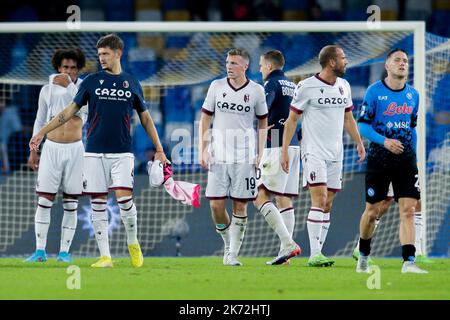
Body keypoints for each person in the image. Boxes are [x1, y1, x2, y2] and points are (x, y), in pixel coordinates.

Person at [29, 34, 168, 268]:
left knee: (124, 201)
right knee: (98, 204)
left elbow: (145, 118)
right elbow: (67, 112)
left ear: (118, 54)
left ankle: (133, 243)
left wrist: (160, 148)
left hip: (122, 152)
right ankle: (105, 256)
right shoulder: (91, 81)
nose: (101, 58)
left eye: (105, 54)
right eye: (99, 54)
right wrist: (42, 132)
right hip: (93, 152)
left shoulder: (132, 83)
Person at [281, 45, 365, 267]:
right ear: (331, 62)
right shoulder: (306, 86)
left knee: (328, 203)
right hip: (313, 152)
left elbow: (348, 118)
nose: (346, 61)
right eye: (343, 58)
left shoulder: (344, 86)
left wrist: (358, 142)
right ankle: (314, 254)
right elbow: (291, 120)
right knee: (319, 200)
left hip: (336, 154)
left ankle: (319, 252)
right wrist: (285, 150)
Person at [356, 48, 427, 274]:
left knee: (408, 209)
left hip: (405, 161)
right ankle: (364, 254)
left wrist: (412, 154)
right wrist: (384, 141)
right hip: (379, 159)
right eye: (397, 60)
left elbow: (412, 127)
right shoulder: (374, 92)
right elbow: (363, 125)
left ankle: (409, 261)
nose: (402, 63)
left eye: (405, 60)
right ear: (387, 65)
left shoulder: (413, 95)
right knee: (372, 212)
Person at [199, 48, 268, 266]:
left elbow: (263, 122)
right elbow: (205, 119)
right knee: (216, 206)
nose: (229, 66)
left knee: (240, 206)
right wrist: (203, 148)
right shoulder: (216, 86)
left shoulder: (256, 91)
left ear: (245, 66)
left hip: (244, 157)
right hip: (218, 156)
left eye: (234, 63)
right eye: (228, 62)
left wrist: (260, 152)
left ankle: (233, 253)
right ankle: (228, 243)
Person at [25, 48, 86, 263]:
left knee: (71, 202)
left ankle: (64, 253)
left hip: (75, 149)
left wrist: (68, 85)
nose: (68, 72)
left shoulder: (83, 89)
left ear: (78, 70)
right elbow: (40, 120)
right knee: (44, 200)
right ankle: (39, 251)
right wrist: (34, 149)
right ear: (58, 68)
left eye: (72, 68)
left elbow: (83, 112)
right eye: (65, 68)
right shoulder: (46, 90)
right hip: (51, 148)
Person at [255, 50, 301, 265]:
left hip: (275, 144)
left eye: (261, 65)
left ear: (270, 66)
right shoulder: (293, 85)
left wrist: (258, 127)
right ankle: (285, 255)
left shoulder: (271, 84)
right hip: (293, 146)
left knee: (259, 195)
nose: (260, 69)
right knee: (283, 198)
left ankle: (288, 243)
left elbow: (262, 109)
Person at [352, 185, 433, 264]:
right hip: (390, 172)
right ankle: (360, 248)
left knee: (416, 202)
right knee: (380, 206)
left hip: (408, 172)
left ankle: (417, 252)